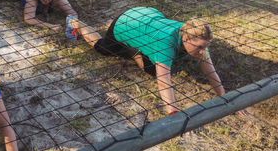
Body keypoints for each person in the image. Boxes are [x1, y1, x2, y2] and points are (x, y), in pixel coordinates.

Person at [66, 7, 249, 116]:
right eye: (199, 47)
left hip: (148, 17)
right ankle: (76, 23)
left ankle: (135, 49)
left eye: (205, 46)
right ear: (185, 40)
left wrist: (226, 99)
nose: (203, 51)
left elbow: (210, 72)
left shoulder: (195, 35)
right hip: (128, 21)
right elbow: (164, 82)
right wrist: (174, 114)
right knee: (102, 49)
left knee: (153, 70)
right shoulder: (166, 43)